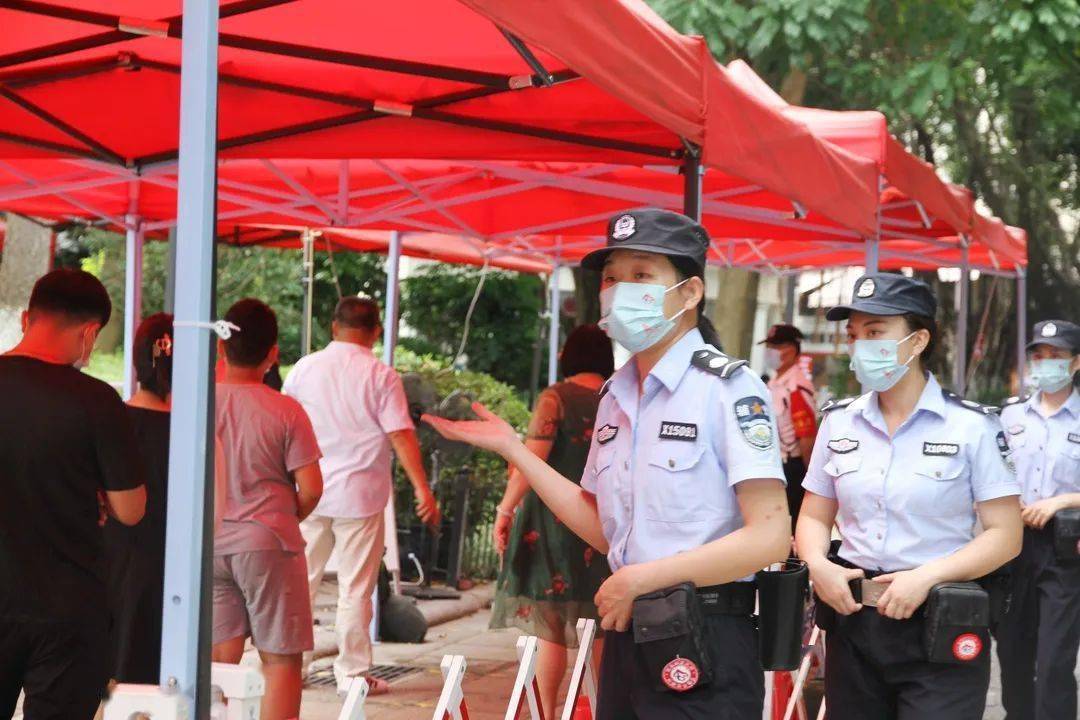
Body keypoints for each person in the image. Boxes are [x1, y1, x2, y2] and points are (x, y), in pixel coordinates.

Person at [425, 209, 791, 720]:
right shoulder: (616, 396)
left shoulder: (728, 389)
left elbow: (770, 537)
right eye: (612, 278)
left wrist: (641, 579)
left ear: (689, 293)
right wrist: (515, 450)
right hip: (628, 632)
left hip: (706, 636)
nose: (621, 290)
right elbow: (604, 528)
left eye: (642, 276)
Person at [795, 272, 1023, 720]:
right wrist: (819, 566)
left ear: (918, 341)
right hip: (853, 621)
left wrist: (926, 577)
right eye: (854, 335)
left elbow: (1005, 535)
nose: (860, 346)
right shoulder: (838, 423)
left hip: (939, 623)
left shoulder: (972, 427)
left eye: (876, 333)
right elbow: (813, 517)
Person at [0, 269, 146, 720]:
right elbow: (131, 508)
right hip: (69, 609)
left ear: (27, 318)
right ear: (89, 333)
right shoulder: (97, 400)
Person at [282, 296, 440, 695]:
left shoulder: (305, 367)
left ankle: (289, 667)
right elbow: (401, 435)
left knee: (302, 580)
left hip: (307, 489)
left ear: (334, 327)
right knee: (356, 587)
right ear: (376, 331)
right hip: (359, 494)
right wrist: (423, 488)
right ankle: (351, 674)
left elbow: (283, 421)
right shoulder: (381, 376)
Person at [489, 324, 614, 718]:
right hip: (605, 520)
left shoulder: (556, 398)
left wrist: (505, 509)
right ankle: (600, 708)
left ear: (567, 356)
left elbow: (530, 462)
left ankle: (543, 711)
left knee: (550, 625)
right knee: (602, 621)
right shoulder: (619, 396)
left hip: (554, 523)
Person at [212, 298, 323, 720]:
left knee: (219, 656)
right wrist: (280, 518)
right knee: (280, 659)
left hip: (212, 542)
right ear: (273, 353)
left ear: (222, 350)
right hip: (269, 541)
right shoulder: (286, 410)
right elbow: (311, 488)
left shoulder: (200, 405)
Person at [104, 313, 229, 685]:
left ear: (137, 360)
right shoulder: (199, 436)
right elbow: (215, 520)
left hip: (106, 574)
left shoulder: (107, 420)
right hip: (174, 580)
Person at [995, 319, 1080, 720]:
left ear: (1075, 363)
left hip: (1064, 551)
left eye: (1057, 356)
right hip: (1011, 547)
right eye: (1039, 356)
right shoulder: (1008, 417)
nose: (1046, 364)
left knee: (1054, 661)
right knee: (1012, 653)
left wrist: (1064, 500)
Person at [759, 323, 817, 529]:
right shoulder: (776, 382)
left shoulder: (796, 387)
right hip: (775, 464)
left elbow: (807, 437)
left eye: (775, 346)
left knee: (788, 529)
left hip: (792, 468)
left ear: (791, 350)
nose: (769, 352)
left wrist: (810, 479)